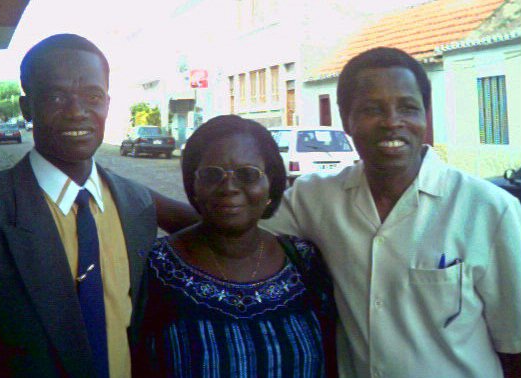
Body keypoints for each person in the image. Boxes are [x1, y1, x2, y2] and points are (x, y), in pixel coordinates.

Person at [261, 47, 521, 377]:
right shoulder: (314, 199)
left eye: (408, 108)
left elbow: (515, 345)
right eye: (372, 109)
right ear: (346, 120)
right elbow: (238, 238)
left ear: (425, 116)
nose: (392, 123)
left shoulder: (488, 210)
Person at [0, 34, 157, 377]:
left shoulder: (136, 206)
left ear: (107, 103)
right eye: (56, 96)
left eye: (92, 96)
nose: (77, 112)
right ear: (27, 108)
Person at [133, 115, 336, 378]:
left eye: (248, 174)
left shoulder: (304, 262)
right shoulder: (155, 268)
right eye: (211, 174)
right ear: (193, 185)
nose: (229, 187)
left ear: (271, 185)